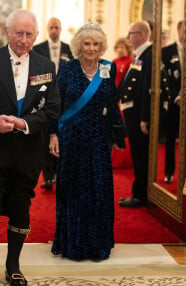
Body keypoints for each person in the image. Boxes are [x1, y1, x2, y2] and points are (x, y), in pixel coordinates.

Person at [0, 9, 60, 286]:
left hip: (27, 153)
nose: (24, 39)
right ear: (7, 32)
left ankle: (13, 263)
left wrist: (25, 123)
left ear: (36, 35)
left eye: (30, 34)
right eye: (19, 33)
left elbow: (53, 109)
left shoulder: (46, 66)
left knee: (20, 210)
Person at [49, 23, 125, 260]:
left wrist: (118, 134)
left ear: (101, 46)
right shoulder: (68, 68)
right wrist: (53, 134)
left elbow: (112, 103)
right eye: (87, 43)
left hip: (99, 139)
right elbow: (56, 104)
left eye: (95, 44)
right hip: (72, 138)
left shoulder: (108, 68)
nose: (91, 48)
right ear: (79, 46)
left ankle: (97, 243)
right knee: (73, 189)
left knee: (98, 189)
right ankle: (74, 244)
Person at [33, 17, 73, 190]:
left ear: (61, 29)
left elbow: (72, 70)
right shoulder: (38, 48)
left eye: (57, 27)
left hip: (63, 99)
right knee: (45, 137)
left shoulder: (67, 48)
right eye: (51, 27)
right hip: (44, 97)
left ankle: (59, 173)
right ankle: (47, 176)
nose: (54, 30)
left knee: (61, 136)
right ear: (47, 29)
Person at [118, 21, 152, 208]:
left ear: (141, 35)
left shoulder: (149, 55)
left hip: (139, 115)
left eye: (130, 33)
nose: (128, 37)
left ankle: (140, 195)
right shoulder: (140, 55)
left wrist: (145, 118)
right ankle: (138, 192)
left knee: (140, 155)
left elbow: (148, 88)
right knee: (137, 154)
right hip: (132, 113)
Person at [161, 20, 184, 183]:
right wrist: (176, 96)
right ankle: (169, 171)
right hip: (173, 101)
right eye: (185, 29)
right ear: (178, 30)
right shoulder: (167, 51)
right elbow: (165, 77)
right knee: (170, 137)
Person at [111, 37, 134, 169]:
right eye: (118, 47)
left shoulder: (132, 61)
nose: (120, 50)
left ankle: (125, 160)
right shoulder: (113, 62)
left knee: (124, 127)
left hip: (125, 99)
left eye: (122, 47)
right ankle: (115, 159)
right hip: (113, 98)